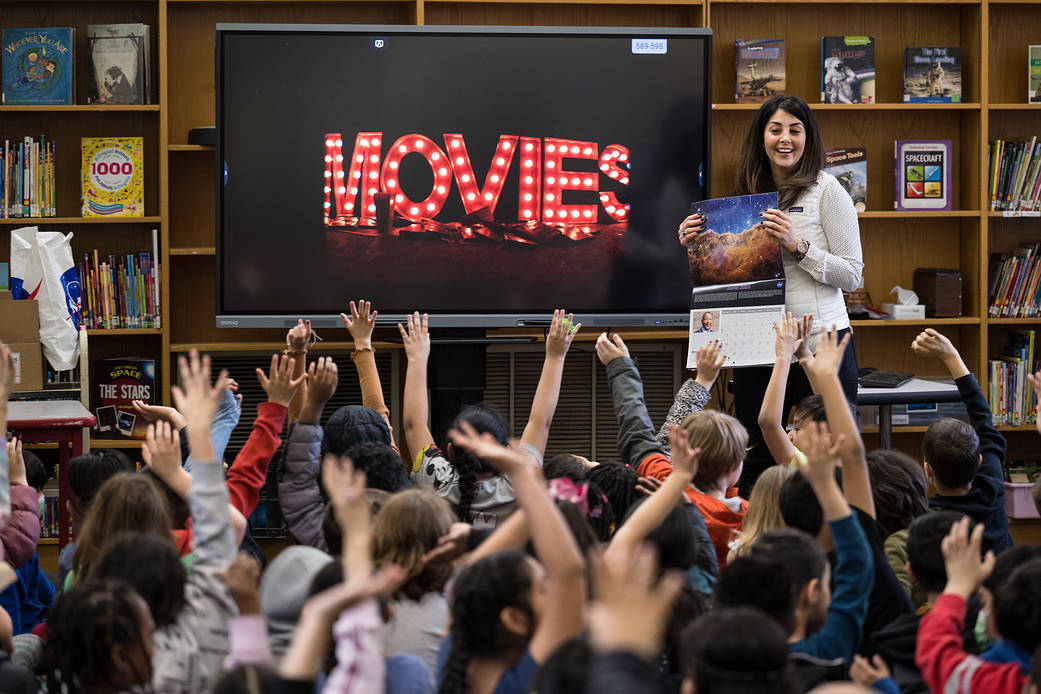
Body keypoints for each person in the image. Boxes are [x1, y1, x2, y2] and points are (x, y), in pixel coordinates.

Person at [678, 93, 864, 497]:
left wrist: (799, 246)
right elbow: (728, 273)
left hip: (821, 344)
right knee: (756, 452)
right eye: (775, 129)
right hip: (758, 344)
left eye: (795, 130)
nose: (785, 139)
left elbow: (852, 274)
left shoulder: (828, 190)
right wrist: (696, 245)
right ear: (761, 137)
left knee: (829, 451)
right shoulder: (748, 193)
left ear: (807, 137)